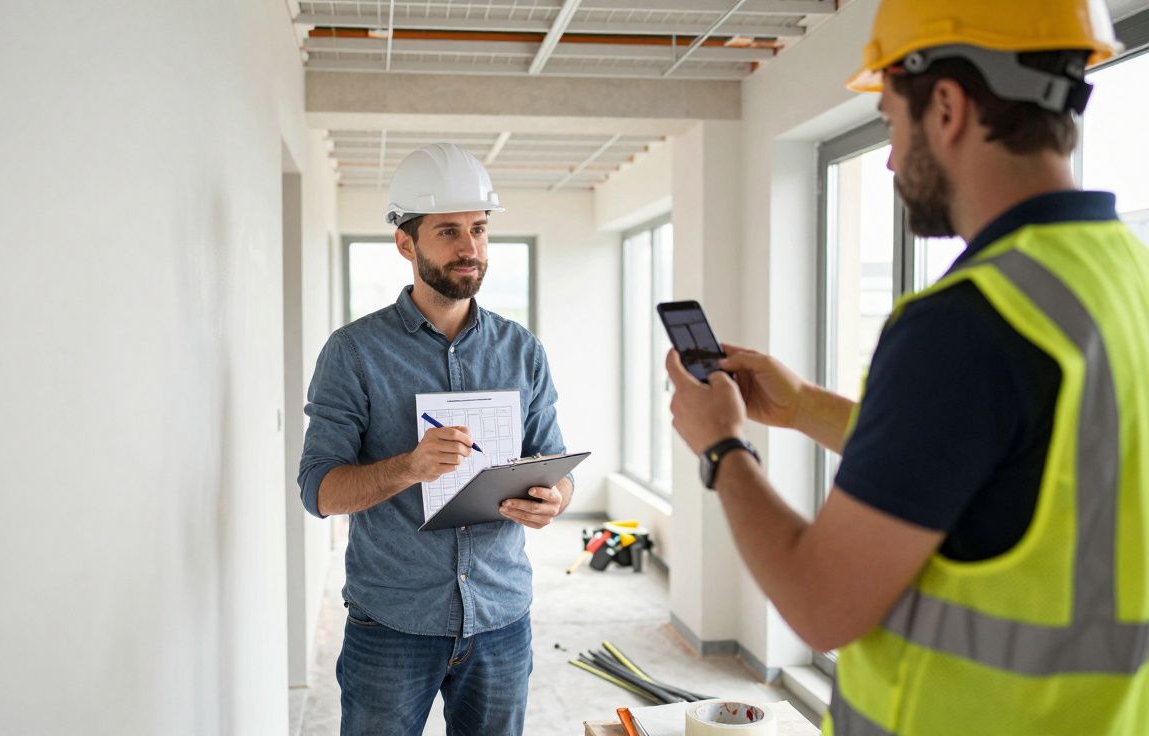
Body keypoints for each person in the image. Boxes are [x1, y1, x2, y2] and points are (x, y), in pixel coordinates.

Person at [665, 2, 1149, 734]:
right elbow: (1010, 463)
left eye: (891, 120)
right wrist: (802, 409)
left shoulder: (967, 323)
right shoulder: (1126, 281)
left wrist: (722, 449)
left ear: (948, 106)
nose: (891, 157)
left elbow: (819, 605)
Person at [297, 142, 573, 736]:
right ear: (406, 243)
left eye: (478, 228)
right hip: (392, 625)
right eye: (448, 231)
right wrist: (409, 467)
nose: (469, 247)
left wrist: (554, 499)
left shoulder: (522, 350)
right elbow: (319, 491)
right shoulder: (354, 353)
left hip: (501, 620)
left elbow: (556, 465)